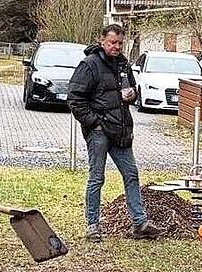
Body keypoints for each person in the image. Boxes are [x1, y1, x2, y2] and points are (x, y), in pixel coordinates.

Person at [67, 24, 163, 242]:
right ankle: (92, 226)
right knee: (96, 178)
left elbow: (132, 93)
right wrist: (95, 123)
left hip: (121, 131)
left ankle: (140, 224)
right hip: (99, 132)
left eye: (120, 43)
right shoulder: (89, 65)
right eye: (112, 42)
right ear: (102, 41)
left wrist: (132, 95)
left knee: (131, 175)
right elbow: (74, 99)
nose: (116, 47)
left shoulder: (123, 64)